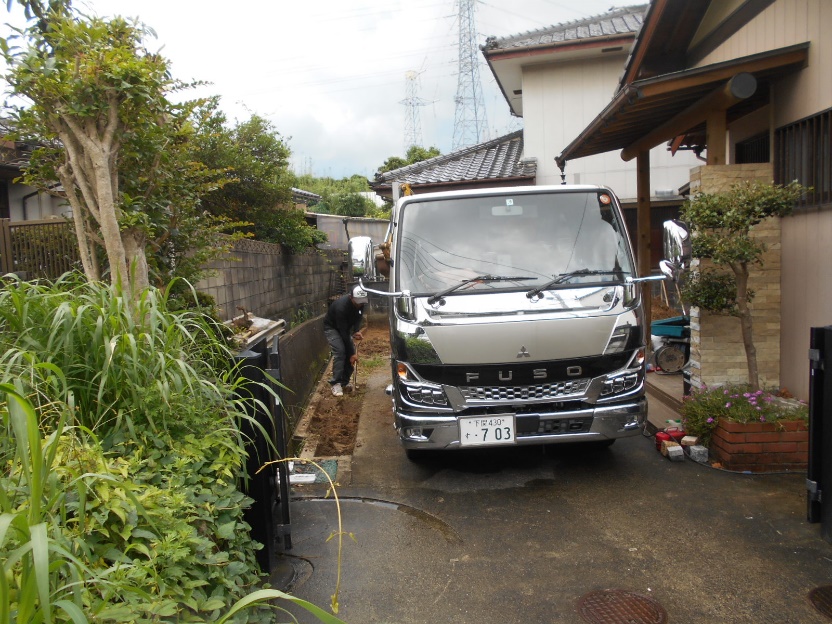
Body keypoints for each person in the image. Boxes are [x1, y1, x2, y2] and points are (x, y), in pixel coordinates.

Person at [323, 285, 368, 397]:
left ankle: (344, 382)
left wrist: (356, 330)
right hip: (332, 328)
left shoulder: (361, 303)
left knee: (349, 353)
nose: (360, 304)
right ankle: (335, 383)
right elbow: (343, 332)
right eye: (358, 302)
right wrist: (352, 353)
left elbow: (359, 317)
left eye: (362, 302)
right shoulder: (341, 307)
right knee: (340, 352)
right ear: (351, 297)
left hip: (344, 328)